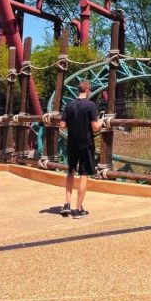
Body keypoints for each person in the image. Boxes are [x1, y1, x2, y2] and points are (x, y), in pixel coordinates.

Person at [58, 80, 101, 218]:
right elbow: (95, 127)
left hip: (72, 143)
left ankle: (67, 204)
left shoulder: (69, 105)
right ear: (88, 90)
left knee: (70, 172)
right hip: (86, 144)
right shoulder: (91, 105)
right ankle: (78, 209)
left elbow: (62, 125)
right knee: (83, 175)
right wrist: (101, 122)